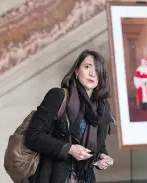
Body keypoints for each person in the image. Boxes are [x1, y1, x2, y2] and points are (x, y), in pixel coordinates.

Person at [25, 50, 114, 183]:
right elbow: (33, 136)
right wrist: (69, 149)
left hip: (85, 178)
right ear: (77, 72)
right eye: (87, 67)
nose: (92, 73)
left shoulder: (102, 108)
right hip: (53, 176)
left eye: (97, 70)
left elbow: (99, 145)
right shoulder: (58, 96)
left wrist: (102, 156)